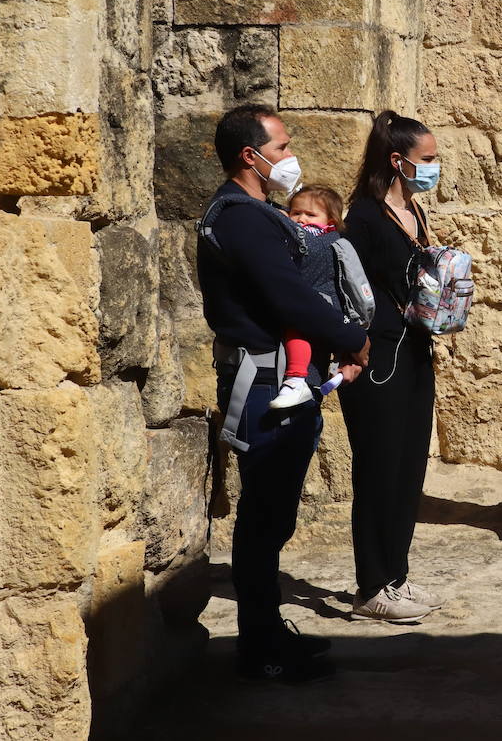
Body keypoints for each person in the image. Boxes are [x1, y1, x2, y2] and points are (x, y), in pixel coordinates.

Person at [197, 104, 370, 682]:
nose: (290, 157)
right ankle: (261, 649)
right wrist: (351, 338)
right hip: (266, 381)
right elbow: (288, 295)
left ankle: (267, 633)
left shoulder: (251, 212)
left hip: (278, 375)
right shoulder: (242, 218)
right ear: (251, 156)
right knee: (264, 514)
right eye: (281, 146)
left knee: (271, 515)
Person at [338, 110, 443, 623]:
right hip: (377, 356)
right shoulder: (363, 216)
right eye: (427, 160)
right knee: (378, 468)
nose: (434, 167)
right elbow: (347, 286)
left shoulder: (415, 214)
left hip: (415, 351)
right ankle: (370, 585)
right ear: (397, 161)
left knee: (407, 467)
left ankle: (395, 575)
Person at [270, 185, 362, 410]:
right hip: (329, 308)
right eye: (295, 212)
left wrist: (275, 216)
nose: (301, 219)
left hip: (319, 307)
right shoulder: (324, 237)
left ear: (331, 220)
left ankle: (295, 379)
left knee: (296, 332)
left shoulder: (322, 240)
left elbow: (305, 250)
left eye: (310, 215)